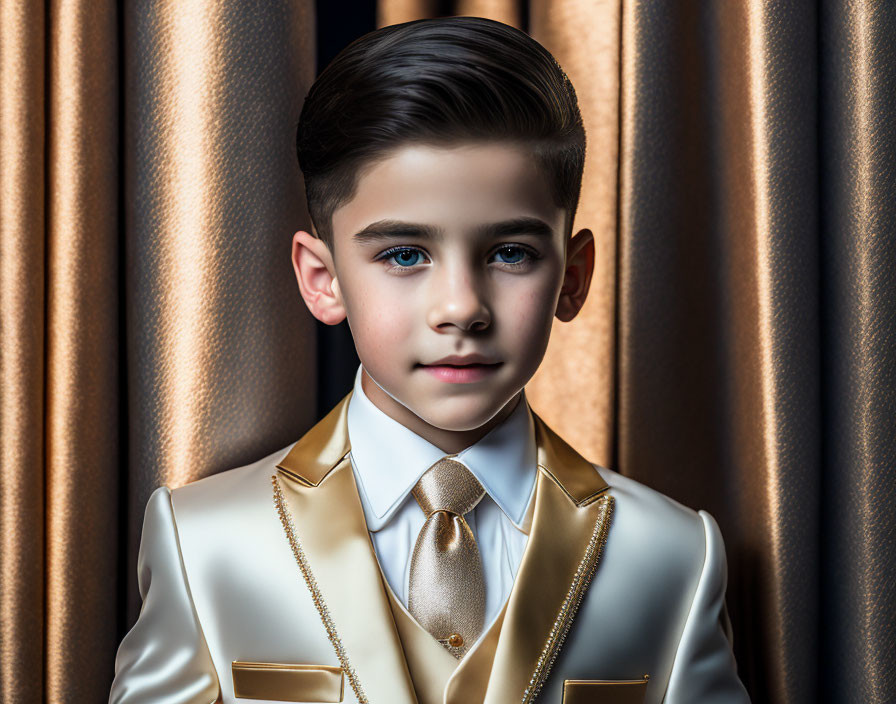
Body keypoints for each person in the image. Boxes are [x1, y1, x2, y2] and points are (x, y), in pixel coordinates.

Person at [110, 16, 750, 704]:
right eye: (404, 255)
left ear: (573, 275)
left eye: (511, 253)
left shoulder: (672, 557)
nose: (460, 307)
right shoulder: (206, 541)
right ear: (323, 279)